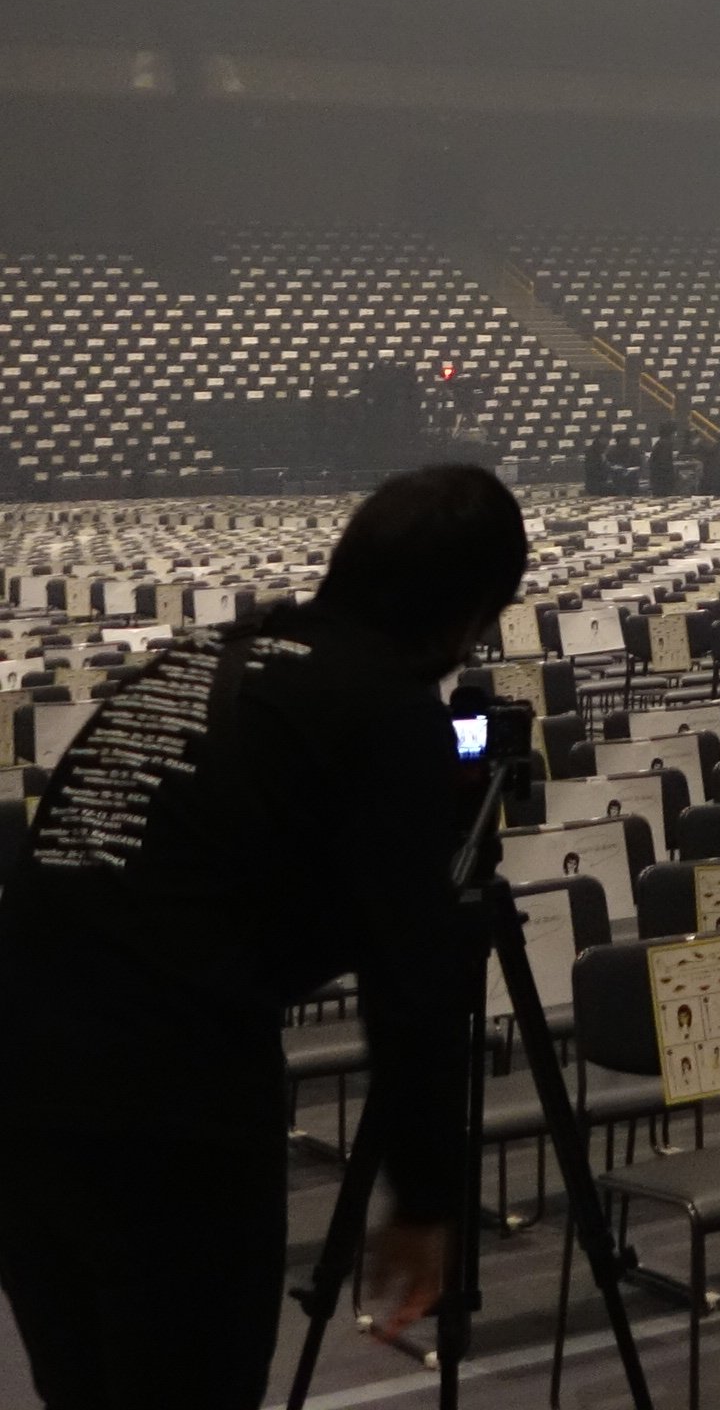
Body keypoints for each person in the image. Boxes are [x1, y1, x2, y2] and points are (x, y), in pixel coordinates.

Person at [0, 463, 529, 1409]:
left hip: (21, 1092)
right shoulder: (383, 707)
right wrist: (424, 1201)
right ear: (467, 616)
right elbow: (411, 979)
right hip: (166, 1111)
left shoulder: (201, 661)